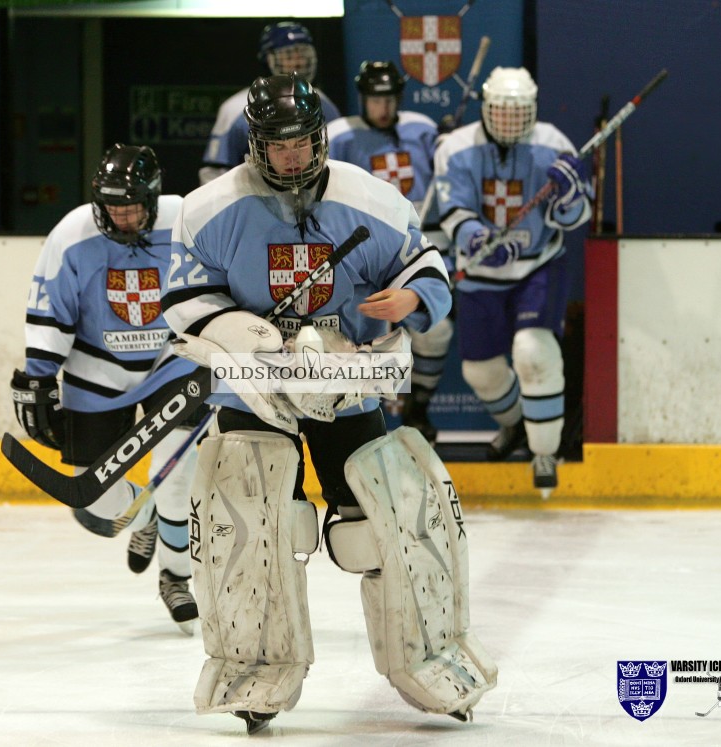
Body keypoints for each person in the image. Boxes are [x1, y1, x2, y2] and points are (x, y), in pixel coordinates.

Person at [163, 72, 497, 734]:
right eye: (277, 145)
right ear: (255, 144)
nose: (292, 157)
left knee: (385, 523)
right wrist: (238, 330)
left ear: (320, 137)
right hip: (255, 392)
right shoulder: (207, 209)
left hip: (344, 384)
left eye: (303, 142)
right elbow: (182, 299)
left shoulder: (368, 198)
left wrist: (410, 297)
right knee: (256, 527)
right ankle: (253, 666)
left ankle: (430, 658)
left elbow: (425, 263)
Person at [10, 144, 204, 632]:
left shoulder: (185, 219)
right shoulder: (72, 234)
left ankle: (176, 575)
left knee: (178, 479)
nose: (122, 217)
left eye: (133, 206)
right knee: (94, 504)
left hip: (171, 362)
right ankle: (148, 519)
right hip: (95, 370)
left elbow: (214, 283)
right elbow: (50, 309)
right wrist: (38, 376)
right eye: (113, 207)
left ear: (155, 198)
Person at [434, 67, 592, 497]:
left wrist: (570, 195)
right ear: (487, 109)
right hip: (480, 273)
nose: (509, 122)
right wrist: (479, 238)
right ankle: (520, 426)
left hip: (538, 264)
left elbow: (578, 218)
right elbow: (454, 212)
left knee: (533, 350)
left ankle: (545, 452)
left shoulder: (555, 144)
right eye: (501, 113)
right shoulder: (456, 147)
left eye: (518, 113)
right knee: (480, 373)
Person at [326, 59, 449, 443]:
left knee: (436, 331)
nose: (383, 108)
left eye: (390, 99)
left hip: (413, 246)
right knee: (362, 331)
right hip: (361, 251)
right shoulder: (340, 134)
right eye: (375, 100)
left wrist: (448, 144)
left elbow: (446, 174)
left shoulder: (422, 129)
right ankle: (360, 409)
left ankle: (419, 408)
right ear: (363, 98)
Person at [198, 21, 342, 185]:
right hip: (255, 200)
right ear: (268, 59)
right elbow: (215, 171)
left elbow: (335, 162)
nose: (298, 62)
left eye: (303, 54)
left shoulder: (324, 105)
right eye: (288, 55)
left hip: (313, 199)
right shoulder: (236, 108)